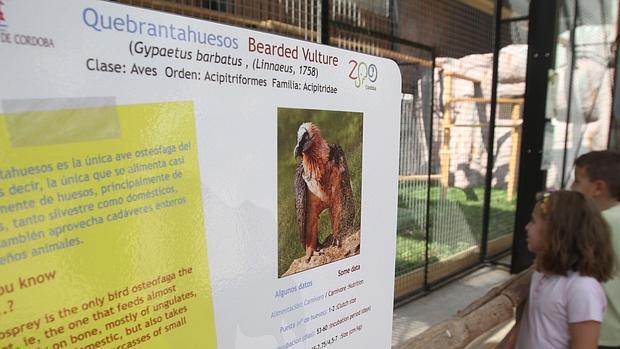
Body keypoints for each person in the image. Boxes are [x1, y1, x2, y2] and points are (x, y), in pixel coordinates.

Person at [502, 190, 616, 349]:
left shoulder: (583, 288)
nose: (527, 227)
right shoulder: (543, 273)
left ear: (556, 232)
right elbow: (530, 322)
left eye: (533, 222)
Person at [572, 150, 620, 349]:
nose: (572, 187)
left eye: (576, 182)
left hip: (599, 329)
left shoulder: (599, 224)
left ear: (598, 188)